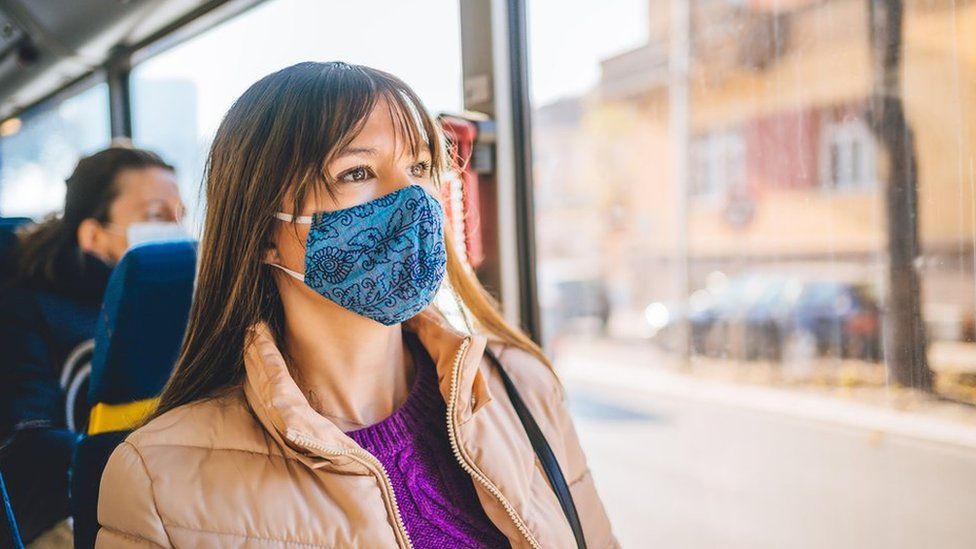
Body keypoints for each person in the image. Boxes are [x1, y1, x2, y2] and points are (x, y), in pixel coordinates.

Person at [96, 62, 617, 548]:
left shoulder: (524, 387)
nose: (411, 198)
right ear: (262, 235)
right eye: (356, 173)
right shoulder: (158, 480)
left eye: (419, 165)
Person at [0, 146, 183, 545]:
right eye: (155, 216)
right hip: (61, 506)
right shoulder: (23, 306)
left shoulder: (180, 305)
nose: (175, 231)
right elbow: (29, 440)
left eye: (179, 217)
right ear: (93, 234)